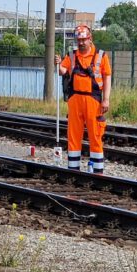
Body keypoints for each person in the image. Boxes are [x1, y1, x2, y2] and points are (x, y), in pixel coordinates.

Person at [54, 24, 111, 174]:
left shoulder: (101, 56)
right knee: (73, 134)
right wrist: (59, 64)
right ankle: (73, 169)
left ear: (90, 39)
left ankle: (98, 170)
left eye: (84, 40)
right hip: (75, 100)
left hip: (94, 100)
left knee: (95, 134)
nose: (81, 43)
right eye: (79, 40)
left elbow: (107, 77)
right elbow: (62, 71)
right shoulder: (72, 55)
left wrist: (106, 99)